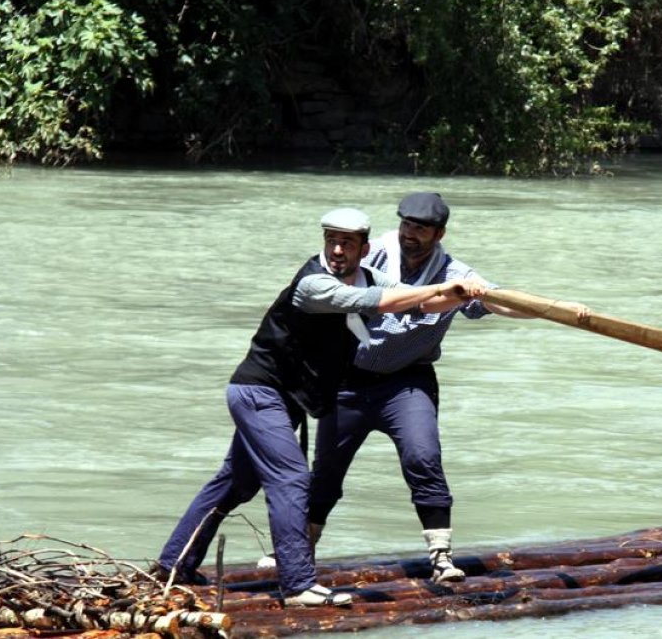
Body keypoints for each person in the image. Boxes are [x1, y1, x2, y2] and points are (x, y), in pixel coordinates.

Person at [153, 207, 485, 606]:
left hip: (288, 398)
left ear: (365, 248)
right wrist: (447, 290)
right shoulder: (314, 284)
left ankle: (174, 566)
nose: (337, 250)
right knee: (292, 478)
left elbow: (408, 302)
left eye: (347, 243)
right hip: (260, 391)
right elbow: (376, 302)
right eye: (331, 240)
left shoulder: (368, 274)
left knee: (234, 483)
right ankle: (296, 585)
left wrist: (461, 293)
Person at [260, 192, 587, 583]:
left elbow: (500, 302)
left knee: (423, 457)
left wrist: (555, 308)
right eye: (406, 225)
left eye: (420, 229)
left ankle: (441, 556)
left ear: (439, 233)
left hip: (406, 382)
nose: (409, 234)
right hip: (347, 381)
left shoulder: (456, 274)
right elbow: (326, 281)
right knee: (326, 473)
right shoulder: (373, 253)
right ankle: (297, 554)